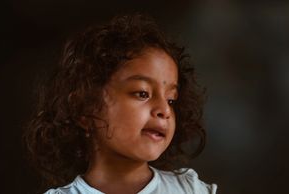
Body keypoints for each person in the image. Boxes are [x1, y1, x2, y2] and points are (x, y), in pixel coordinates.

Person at [24, 14, 217, 194]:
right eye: (142, 93)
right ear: (84, 109)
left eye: (171, 100)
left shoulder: (190, 190)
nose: (164, 110)